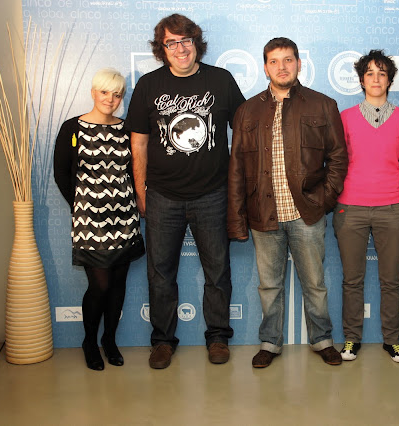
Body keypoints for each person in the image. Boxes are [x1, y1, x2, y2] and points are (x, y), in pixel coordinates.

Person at [125, 14, 245, 369]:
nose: (180, 48)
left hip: (213, 194)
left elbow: (243, 133)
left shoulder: (221, 81)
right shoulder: (148, 85)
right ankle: (162, 341)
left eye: (186, 40)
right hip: (163, 195)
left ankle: (218, 337)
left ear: (196, 42)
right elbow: (139, 144)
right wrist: (141, 191)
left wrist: (237, 186)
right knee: (160, 273)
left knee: (218, 271)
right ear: (162, 49)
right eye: (172, 42)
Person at [227, 37, 347, 368]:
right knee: (269, 285)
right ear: (265, 67)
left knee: (314, 283)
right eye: (275, 61)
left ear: (298, 63)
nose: (282, 66)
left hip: (307, 212)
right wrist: (236, 217)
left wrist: (324, 199)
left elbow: (338, 157)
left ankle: (322, 340)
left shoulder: (323, 105)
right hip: (263, 213)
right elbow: (236, 166)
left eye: (288, 59)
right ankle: (270, 342)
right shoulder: (247, 110)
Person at [54, 68, 145, 371]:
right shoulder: (72, 128)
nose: (111, 99)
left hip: (125, 219)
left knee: (118, 284)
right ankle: (89, 341)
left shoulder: (126, 128)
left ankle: (109, 340)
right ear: (93, 92)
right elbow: (61, 173)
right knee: (100, 286)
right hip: (90, 222)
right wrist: (83, 206)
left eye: (117, 94)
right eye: (105, 92)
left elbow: (135, 171)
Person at [333, 50, 399, 363]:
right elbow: (337, 162)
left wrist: (391, 187)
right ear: (361, 80)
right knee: (352, 280)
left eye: (382, 73)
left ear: (390, 79)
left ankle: (391, 340)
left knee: (391, 280)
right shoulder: (345, 118)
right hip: (350, 209)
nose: (376, 79)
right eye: (370, 73)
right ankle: (352, 339)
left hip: (391, 209)